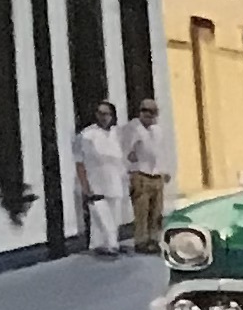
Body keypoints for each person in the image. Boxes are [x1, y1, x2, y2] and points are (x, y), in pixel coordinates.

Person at [69, 100, 127, 254]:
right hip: (96, 183)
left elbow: (121, 159)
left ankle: (101, 245)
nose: (103, 117)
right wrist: (85, 185)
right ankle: (111, 245)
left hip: (115, 183)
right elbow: (79, 162)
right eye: (100, 114)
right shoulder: (87, 135)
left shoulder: (117, 134)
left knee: (114, 217)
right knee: (101, 217)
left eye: (107, 114)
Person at [124, 100, 169, 239]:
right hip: (141, 175)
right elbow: (125, 151)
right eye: (146, 111)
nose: (149, 115)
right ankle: (141, 241)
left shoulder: (157, 130)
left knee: (156, 211)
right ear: (140, 112)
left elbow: (160, 152)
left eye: (153, 112)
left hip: (156, 175)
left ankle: (154, 239)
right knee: (142, 211)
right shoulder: (133, 128)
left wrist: (164, 170)